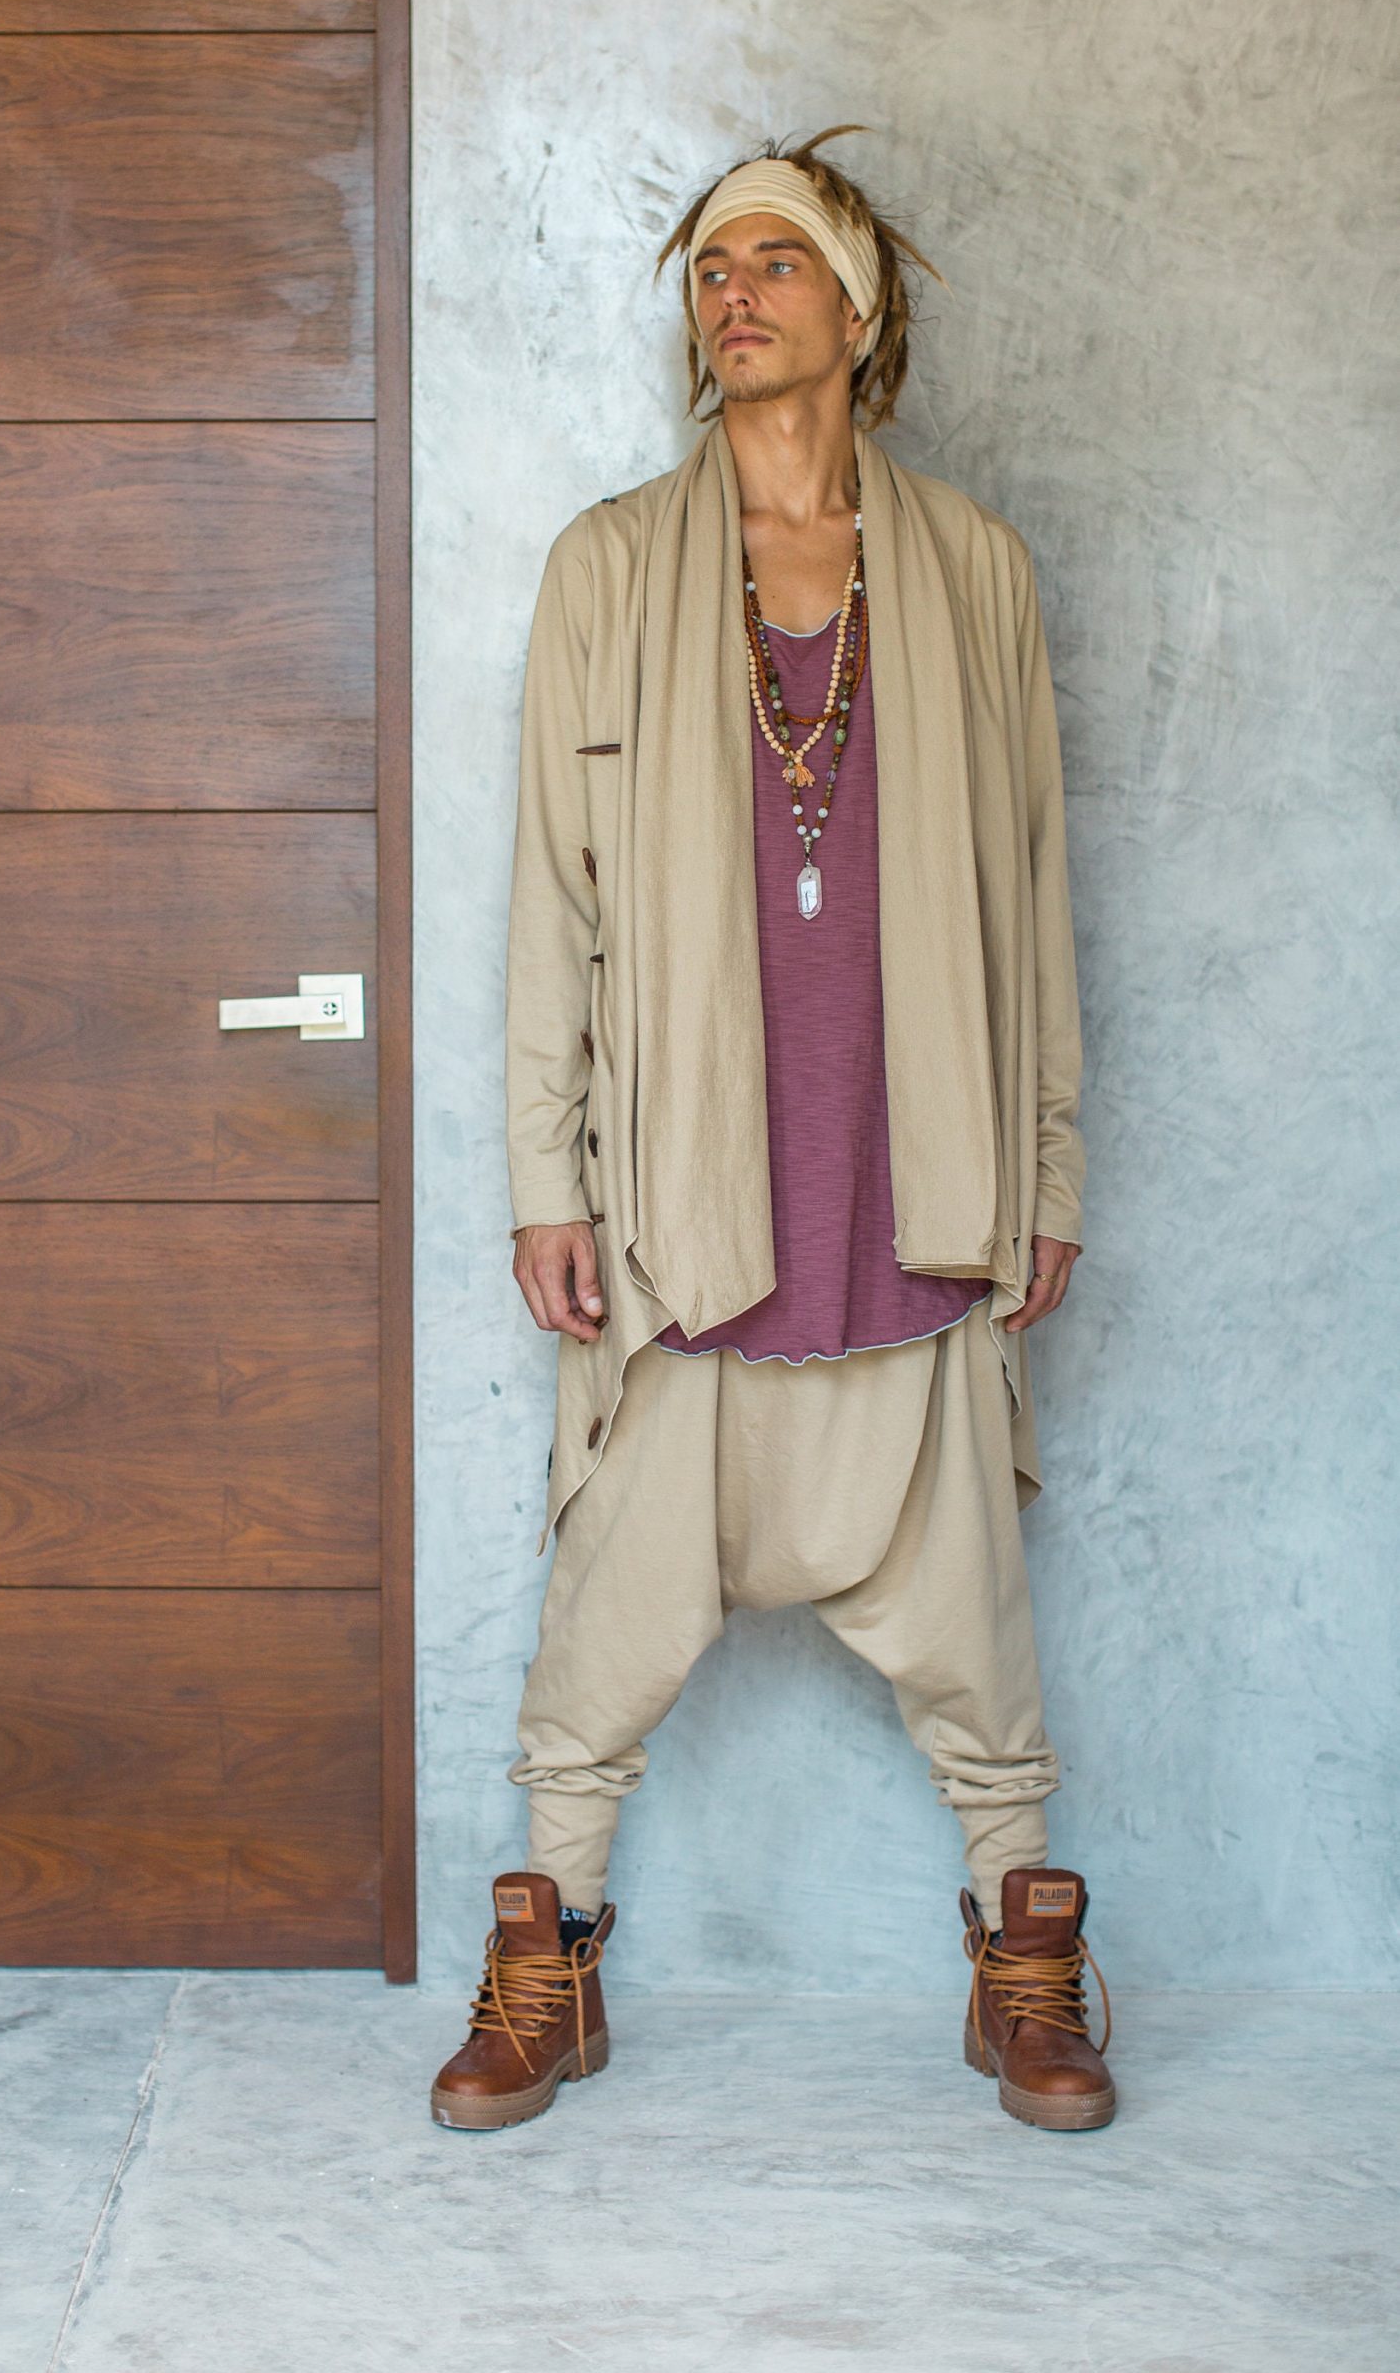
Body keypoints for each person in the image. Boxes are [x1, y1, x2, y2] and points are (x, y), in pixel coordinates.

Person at [430, 131, 1114, 2138]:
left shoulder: (973, 569)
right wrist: (546, 1178)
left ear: (856, 304)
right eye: (710, 269)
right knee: (599, 1636)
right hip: (687, 1198)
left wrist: (1048, 1167)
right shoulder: (608, 566)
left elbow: (1038, 893)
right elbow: (551, 902)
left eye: (774, 261)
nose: (732, 293)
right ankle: (547, 1959)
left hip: (920, 1173)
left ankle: (1026, 1962)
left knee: (977, 1639)